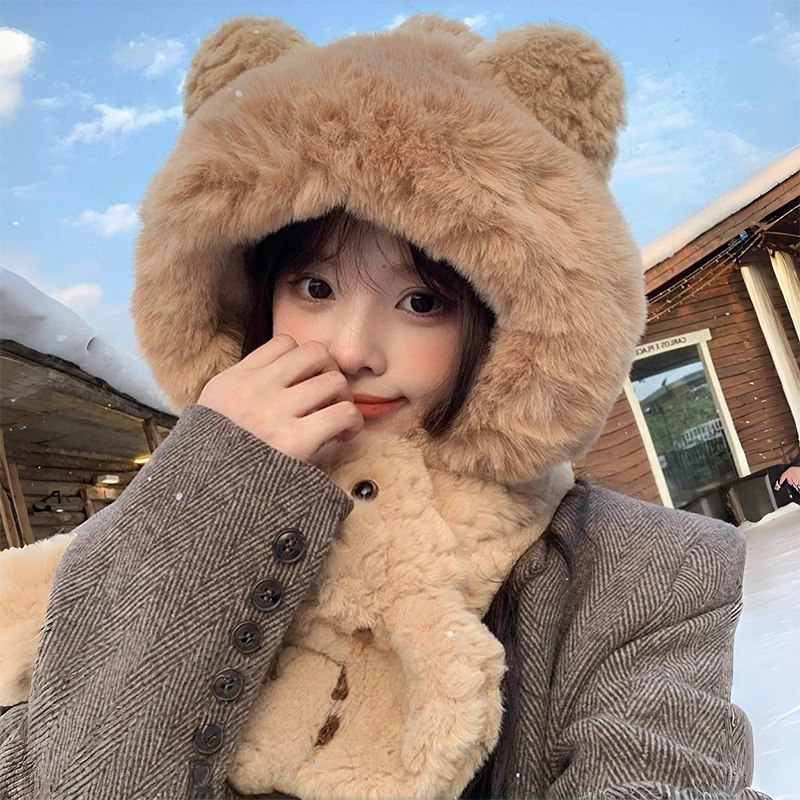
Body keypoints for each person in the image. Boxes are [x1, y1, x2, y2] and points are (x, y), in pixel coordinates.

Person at [0, 12, 769, 800]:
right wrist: (220, 488)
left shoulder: (637, 572)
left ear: (504, 328)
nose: (350, 349)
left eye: (420, 301)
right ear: (253, 294)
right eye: (316, 286)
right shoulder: (120, 554)